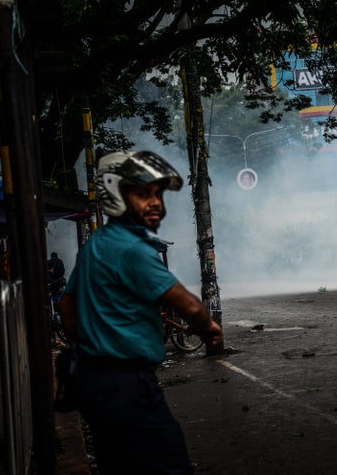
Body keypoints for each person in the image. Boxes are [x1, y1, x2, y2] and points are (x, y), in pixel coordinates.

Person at [58, 150, 223, 475]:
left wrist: (92, 340)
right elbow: (187, 304)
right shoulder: (132, 250)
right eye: (143, 194)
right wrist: (208, 328)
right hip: (126, 384)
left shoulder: (96, 245)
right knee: (168, 463)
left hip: (92, 381)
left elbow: (66, 305)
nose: (155, 204)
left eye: (157, 195)